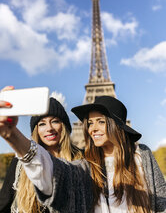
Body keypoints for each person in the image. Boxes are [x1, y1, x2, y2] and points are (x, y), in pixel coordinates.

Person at [0, 91, 166, 212]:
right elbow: (53, 172)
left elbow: (162, 203)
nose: (93, 128)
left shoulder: (142, 155)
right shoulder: (87, 163)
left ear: (117, 126)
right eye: (90, 122)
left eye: (100, 121)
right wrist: (11, 134)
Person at [0, 89, 82, 213]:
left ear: (63, 126)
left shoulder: (82, 160)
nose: (49, 128)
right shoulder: (18, 164)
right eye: (42, 124)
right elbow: (3, 205)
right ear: (36, 130)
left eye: (55, 121)